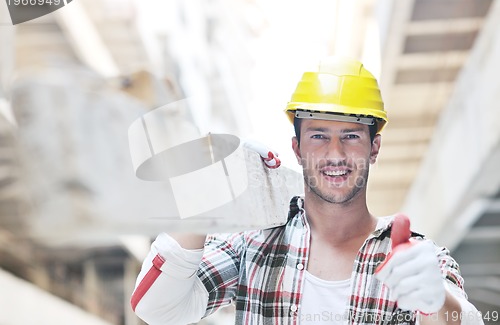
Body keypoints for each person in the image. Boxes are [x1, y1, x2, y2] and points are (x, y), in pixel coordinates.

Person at [131, 57, 483, 325]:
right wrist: (203, 200)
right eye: (318, 136)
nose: (335, 154)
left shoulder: (416, 259)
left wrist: (436, 301)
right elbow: (158, 308)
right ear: (297, 149)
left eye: (351, 136)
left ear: (374, 148)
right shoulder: (253, 244)